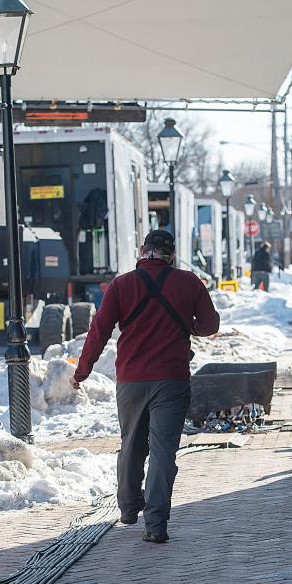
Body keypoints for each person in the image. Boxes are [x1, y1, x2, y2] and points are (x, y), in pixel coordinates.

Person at [71, 230, 220, 543]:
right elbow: (210, 326)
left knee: (132, 444)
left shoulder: (121, 285)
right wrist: (188, 325)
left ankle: (127, 507)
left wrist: (82, 372)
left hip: (131, 381)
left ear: (143, 250)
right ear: (172, 254)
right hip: (172, 380)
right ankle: (156, 524)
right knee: (164, 451)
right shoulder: (189, 282)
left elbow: (99, 332)